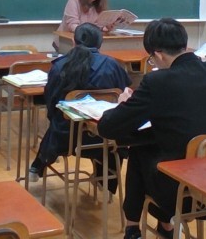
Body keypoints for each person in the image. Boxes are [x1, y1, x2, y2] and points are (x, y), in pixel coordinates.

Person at [98, 18, 206, 239]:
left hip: (182, 187)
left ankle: (133, 228)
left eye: (151, 59)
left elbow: (108, 127)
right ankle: (163, 226)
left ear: (158, 54)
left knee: (139, 149)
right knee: (153, 144)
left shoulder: (157, 81)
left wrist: (124, 103)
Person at [29, 23, 131, 192]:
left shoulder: (60, 65)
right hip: (104, 137)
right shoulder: (112, 65)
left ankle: (38, 165)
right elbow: (121, 96)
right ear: (100, 44)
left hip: (66, 138)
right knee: (112, 138)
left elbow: (51, 102)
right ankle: (106, 183)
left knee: (57, 122)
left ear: (73, 42)